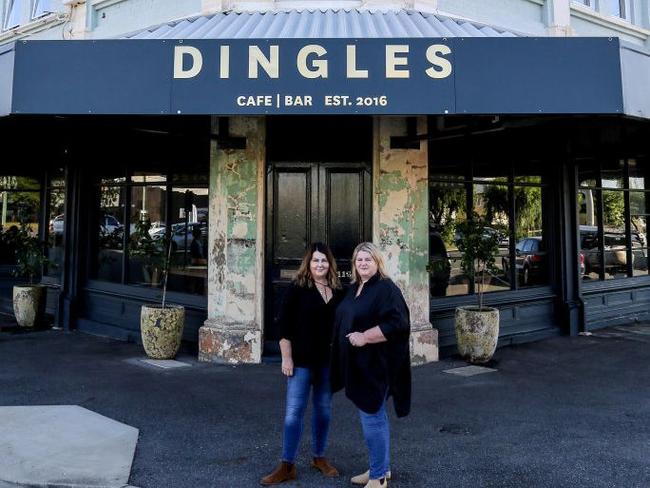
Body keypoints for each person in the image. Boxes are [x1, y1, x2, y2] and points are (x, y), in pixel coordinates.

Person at [260, 242, 345, 486]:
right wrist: (286, 358)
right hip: (301, 363)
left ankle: (319, 458)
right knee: (293, 413)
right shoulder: (297, 289)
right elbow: (283, 326)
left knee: (324, 411)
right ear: (308, 263)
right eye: (316, 260)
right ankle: (287, 465)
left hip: (327, 363)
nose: (320, 264)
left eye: (324, 260)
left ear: (330, 264)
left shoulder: (338, 290)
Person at [330, 242, 411, 488]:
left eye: (368, 259)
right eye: (359, 260)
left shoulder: (386, 289)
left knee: (372, 418)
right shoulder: (356, 287)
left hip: (377, 367)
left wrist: (364, 336)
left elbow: (399, 324)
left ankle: (377, 478)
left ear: (377, 262)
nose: (363, 263)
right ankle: (381, 469)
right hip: (359, 366)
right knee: (376, 417)